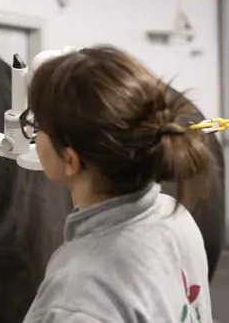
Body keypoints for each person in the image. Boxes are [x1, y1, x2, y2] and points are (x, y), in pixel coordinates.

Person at [22, 45, 216, 323]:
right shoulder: (174, 217)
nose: (34, 135)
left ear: (70, 159)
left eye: (37, 125)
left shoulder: (76, 298)